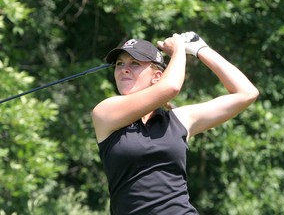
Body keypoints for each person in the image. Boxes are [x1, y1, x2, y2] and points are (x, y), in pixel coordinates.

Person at [92, 31, 259, 215]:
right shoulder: (105, 112)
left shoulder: (178, 120)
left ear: (157, 76)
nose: (124, 68)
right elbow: (171, 87)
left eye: (135, 63)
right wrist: (179, 49)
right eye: (119, 63)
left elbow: (246, 93)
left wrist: (200, 49)